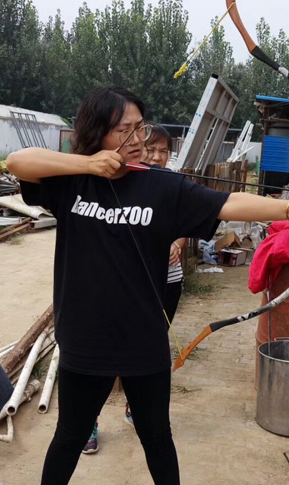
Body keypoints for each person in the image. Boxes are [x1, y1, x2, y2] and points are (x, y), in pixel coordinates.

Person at [7, 85, 289, 485]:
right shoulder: (70, 182)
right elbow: (17, 161)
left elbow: (227, 203)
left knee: (156, 433)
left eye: (140, 127)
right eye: (124, 130)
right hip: (85, 339)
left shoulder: (162, 187)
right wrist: (88, 164)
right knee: (70, 434)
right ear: (97, 133)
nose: (138, 139)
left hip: (143, 340)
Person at [82, 123, 184, 451]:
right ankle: (88, 420)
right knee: (102, 353)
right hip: (126, 288)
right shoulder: (117, 181)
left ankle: (135, 408)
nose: (156, 156)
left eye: (163, 151)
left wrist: (177, 244)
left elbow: (187, 224)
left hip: (168, 282)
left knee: (149, 350)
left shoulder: (173, 184)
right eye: (151, 149)